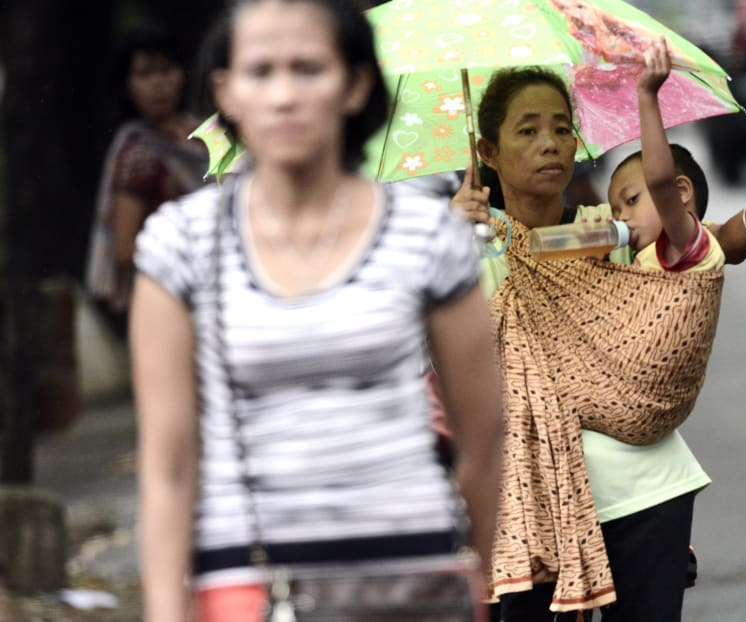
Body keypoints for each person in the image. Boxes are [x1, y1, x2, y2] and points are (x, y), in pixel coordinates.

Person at [129, 2, 503, 622]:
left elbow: (483, 439)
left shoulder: (428, 236)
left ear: (355, 84)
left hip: (414, 579)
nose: (283, 95)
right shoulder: (180, 245)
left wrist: (483, 581)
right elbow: (167, 466)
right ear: (226, 91)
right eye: (260, 71)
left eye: (308, 68)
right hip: (248, 582)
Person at [451, 64, 746, 622]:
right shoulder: (460, 248)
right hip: (528, 507)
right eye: (528, 130)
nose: (551, 144)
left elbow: (708, 244)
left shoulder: (610, 226)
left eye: (561, 127)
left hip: (645, 492)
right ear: (488, 148)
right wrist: (446, 240)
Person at [85, 26, 209, 336]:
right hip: (173, 301)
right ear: (127, 86)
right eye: (144, 75)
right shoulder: (138, 155)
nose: (158, 84)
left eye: (166, 71)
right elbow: (125, 250)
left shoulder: (206, 137)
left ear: (183, 74)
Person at [608, 37, 724, 274]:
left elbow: (661, 184)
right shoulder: (636, 258)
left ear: (680, 192)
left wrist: (647, 94)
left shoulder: (684, 244)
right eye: (616, 211)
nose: (623, 219)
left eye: (631, 200)